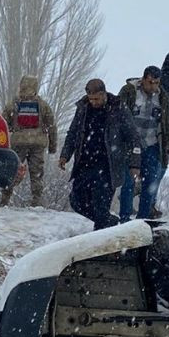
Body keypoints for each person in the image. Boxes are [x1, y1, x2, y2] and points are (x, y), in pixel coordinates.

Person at [59, 78, 139, 229]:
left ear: (103, 94)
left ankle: (101, 235)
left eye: (96, 99)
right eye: (91, 99)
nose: (93, 102)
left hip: (108, 166)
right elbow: (73, 133)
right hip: (85, 163)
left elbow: (133, 137)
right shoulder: (83, 107)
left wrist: (135, 163)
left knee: (100, 206)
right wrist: (65, 155)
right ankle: (110, 223)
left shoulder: (118, 108)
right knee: (76, 201)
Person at [118, 66, 169, 222]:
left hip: (152, 144)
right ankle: (124, 218)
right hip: (130, 144)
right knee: (128, 182)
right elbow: (117, 116)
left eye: (157, 83)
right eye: (150, 82)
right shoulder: (129, 92)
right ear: (143, 80)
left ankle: (143, 220)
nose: (153, 86)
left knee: (150, 183)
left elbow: (167, 122)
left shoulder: (162, 97)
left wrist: (167, 147)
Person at [0, 74, 57, 207]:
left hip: (18, 143)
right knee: (36, 173)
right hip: (37, 144)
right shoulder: (42, 105)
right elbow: (52, 126)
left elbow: (3, 122)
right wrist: (52, 146)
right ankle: (36, 202)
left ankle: (5, 199)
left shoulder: (14, 103)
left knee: (13, 170)